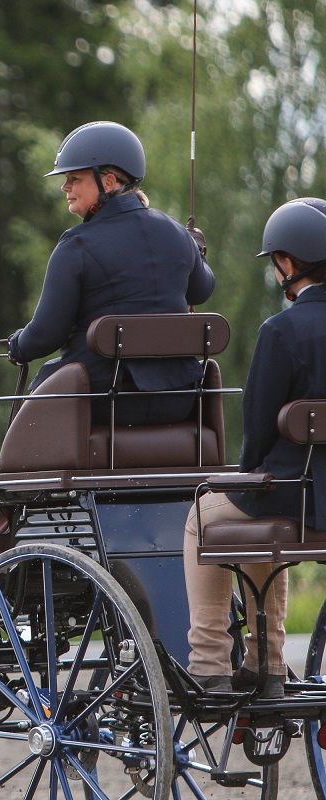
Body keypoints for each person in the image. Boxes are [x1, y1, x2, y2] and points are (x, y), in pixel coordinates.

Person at [0, 121, 215, 582]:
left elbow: (46, 333)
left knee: (36, 403)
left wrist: (19, 345)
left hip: (101, 408)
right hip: (177, 406)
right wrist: (197, 250)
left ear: (109, 180)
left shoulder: (78, 246)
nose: (65, 187)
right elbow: (203, 290)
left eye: (75, 177)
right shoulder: (174, 235)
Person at [183, 197, 326, 699]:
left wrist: (248, 475)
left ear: (287, 263)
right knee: (254, 517)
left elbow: (259, 427)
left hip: (294, 493)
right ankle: (267, 660)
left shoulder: (281, 331)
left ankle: (210, 662)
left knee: (206, 513)